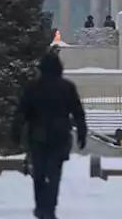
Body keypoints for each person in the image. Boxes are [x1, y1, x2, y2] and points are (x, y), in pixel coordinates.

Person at [11, 51, 88, 219]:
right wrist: (82, 132)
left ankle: (41, 208)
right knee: (54, 174)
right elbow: (78, 112)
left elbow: (21, 113)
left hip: (38, 136)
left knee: (39, 173)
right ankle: (50, 209)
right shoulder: (67, 87)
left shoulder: (32, 87)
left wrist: (16, 132)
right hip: (60, 137)